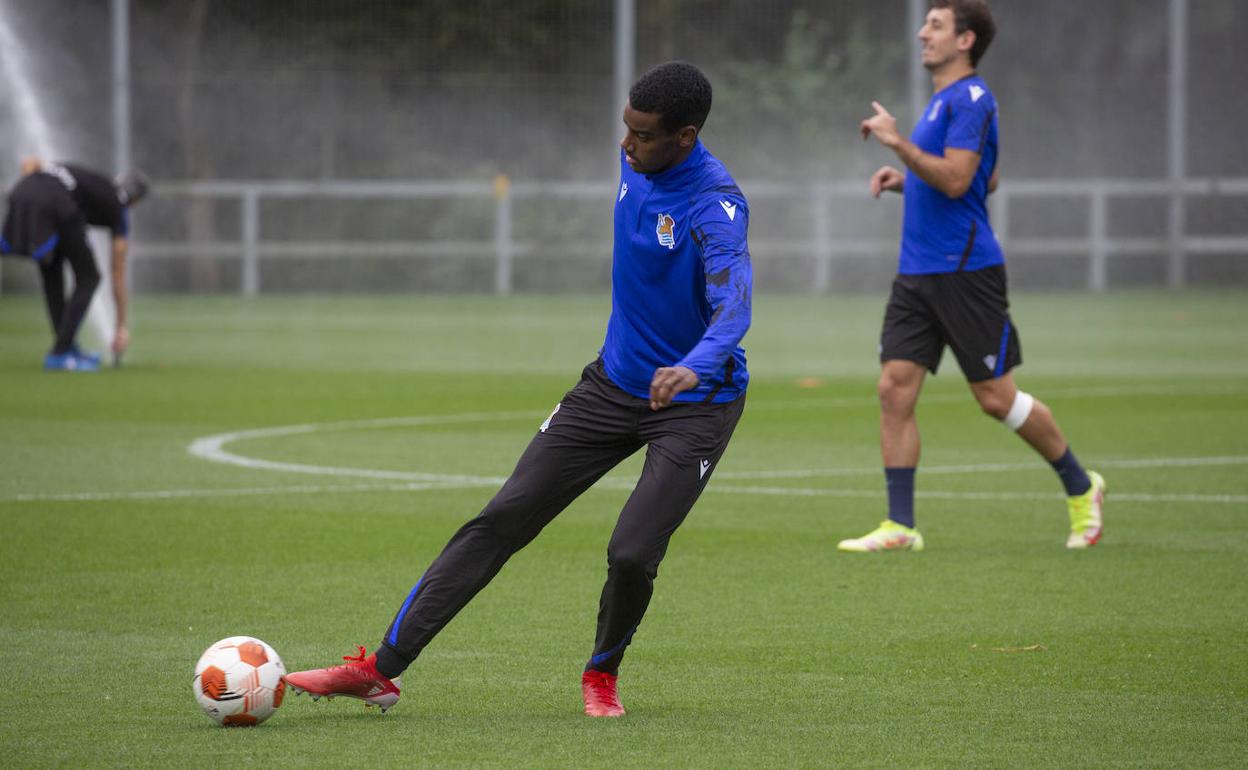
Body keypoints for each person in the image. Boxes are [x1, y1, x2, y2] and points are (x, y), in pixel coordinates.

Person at [284, 61, 752, 718]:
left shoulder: (716, 207)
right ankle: (380, 672)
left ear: (685, 136)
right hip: (611, 386)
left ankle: (601, 674)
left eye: (641, 135)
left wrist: (694, 365)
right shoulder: (639, 161)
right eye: (625, 130)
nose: (625, 145)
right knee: (501, 518)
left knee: (631, 552)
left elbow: (735, 309)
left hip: (695, 405)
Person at [839, 0, 1105, 553]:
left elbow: (961, 181)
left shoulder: (972, 99)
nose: (921, 34)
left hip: (965, 272)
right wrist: (904, 179)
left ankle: (1082, 487)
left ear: (965, 40)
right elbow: (986, 177)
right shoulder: (944, 103)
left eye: (934, 25)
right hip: (916, 272)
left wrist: (897, 144)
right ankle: (901, 526)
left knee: (995, 398)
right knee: (894, 389)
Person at [0, 158, 148, 370]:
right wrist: (121, 327)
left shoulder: (95, 182)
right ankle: (60, 352)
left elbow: (29, 164)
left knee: (52, 271)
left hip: (22, 192)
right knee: (90, 278)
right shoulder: (119, 207)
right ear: (135, 201)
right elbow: (117, 272)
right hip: (57, 205)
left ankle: (65, 346)